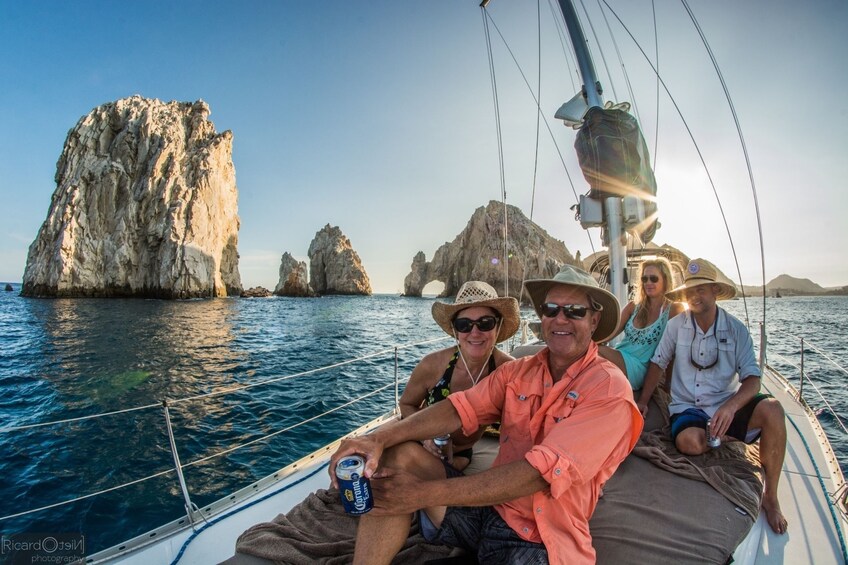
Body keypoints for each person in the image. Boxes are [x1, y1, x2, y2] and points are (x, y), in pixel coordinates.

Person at [329, 265, 642, 564]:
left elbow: (538, 474)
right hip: (489, 510)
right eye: (551, 309)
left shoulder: (609, 389)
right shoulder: (518, 372)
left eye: (574, 311)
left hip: (538, 539)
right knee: (398, 455)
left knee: (407, 490)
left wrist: (418, 495)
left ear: (595, 320)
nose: (561, 319)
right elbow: (458, 407)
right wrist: (375, 438)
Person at [637, 258, 788, 534]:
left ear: (715, 291)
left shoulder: (736, 330)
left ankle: (771, 497)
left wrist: (731, 408)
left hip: (725, 403)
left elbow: (752, 380)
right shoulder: (676, 326)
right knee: (688, 443)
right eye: (690, 291)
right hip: (688, 408)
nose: (694, 296)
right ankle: (728, 436)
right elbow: (658, 363)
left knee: (774, 410)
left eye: (701, 289)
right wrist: (644, 401)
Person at [398, 280, 520, 471]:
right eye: (464, 325)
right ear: (455, 330)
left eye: (485, 323)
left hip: (462, 452)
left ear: (498, 325)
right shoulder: (432, 365)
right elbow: (406, 404)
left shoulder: (509, 370)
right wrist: (425, 437)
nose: (475, 332)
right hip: (421, 441)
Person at [598, 257, 684, 390]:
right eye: (645, 279)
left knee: (595, 351)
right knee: (589, 350)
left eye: (654, 279)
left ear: (665, 280)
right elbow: (610, 332)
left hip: (643, 368)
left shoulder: (673, 309)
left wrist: (668, 383)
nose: (648, 283)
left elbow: (673, 350)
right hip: (621, 357)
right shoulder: (633, 306)